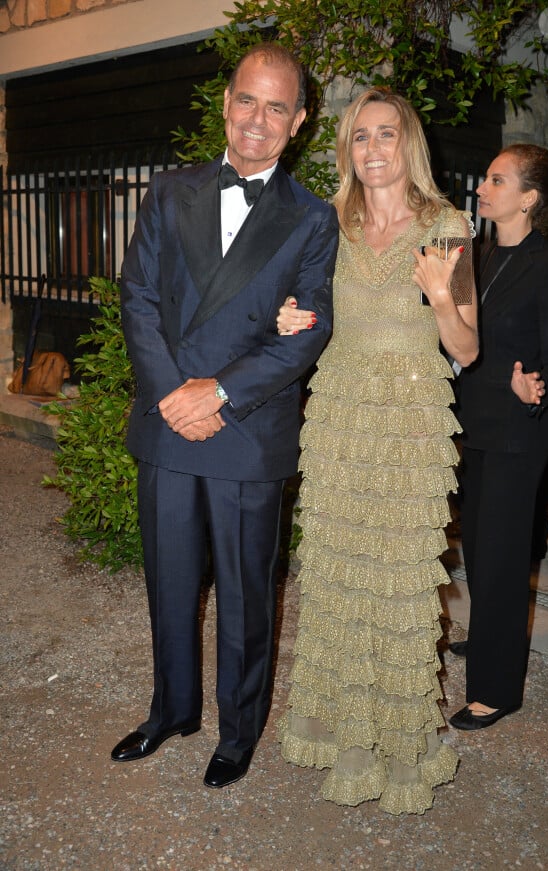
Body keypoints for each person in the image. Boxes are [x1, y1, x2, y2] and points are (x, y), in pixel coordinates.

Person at [111, 42, 339, 789]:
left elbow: (308, 331)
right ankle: (171, 708)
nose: (257, 120)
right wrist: (176, 392)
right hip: (169, 418)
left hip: (246, 429)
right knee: (170, 581)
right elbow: (138, 296)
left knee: (245, 595)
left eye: (278, 107)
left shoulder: (311, 220)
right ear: (225, 102)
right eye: (248, 99)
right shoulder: (168, 190)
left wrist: (218, 393)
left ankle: (238, 731)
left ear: (299, 121)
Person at [276, 86, 478, 814]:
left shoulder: (445, 224)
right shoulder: (328, 222)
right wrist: (293, 316)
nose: (372, 150)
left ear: (408, 143)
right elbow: (310, 320)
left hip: (412, 425)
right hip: (339, 418)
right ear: (346, 149)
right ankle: (343, 735)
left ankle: (399, 747)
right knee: (338, 575)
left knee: (397, 581)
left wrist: (443, 294)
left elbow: (467, 346)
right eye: (359, 137)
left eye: (385, 135)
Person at [446, 145, 548, 730]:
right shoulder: (471, 255)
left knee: (500, 561)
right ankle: (489, 641)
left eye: (497, 180)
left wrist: (538, 387)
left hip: (517, 434)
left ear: (528, 198)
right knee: (477, 552)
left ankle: (497, 688)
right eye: (486, 176)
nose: (483, 187)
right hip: (466, 425)